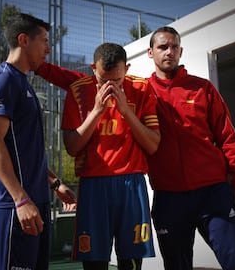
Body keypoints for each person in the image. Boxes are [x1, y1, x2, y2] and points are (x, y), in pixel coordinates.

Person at [35, 42, 160, 270]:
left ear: (127, 68)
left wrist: (126, 112)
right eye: (103, 81)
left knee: (131, 261)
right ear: (93, 68)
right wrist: (96, 111)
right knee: (94, 261)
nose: (110, 87)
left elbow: (153, 145)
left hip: (131, 183)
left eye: (117, 81)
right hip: (93, 184)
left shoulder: (142, 88)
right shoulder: (79, 89)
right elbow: (72, 147)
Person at [146, 26, 235, 270]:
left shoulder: (203, 88)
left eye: (174, 47)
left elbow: (228, 139)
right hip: (168, 197)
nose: (169, 52)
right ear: (150, 53)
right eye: (163, 47)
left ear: (181, 51)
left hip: (213, 193)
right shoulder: (142, 93)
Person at [0, 13, 76, 270]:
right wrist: (20, 199)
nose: (48, 48)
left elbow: (23, 150)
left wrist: (55, 183)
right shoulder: (3, 79)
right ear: (23, 40)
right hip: (15, 204)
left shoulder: (23, 82)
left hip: (36, 201)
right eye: (44, 41)